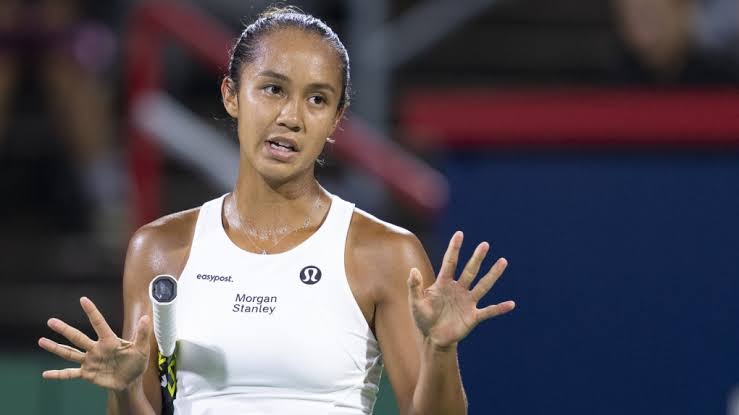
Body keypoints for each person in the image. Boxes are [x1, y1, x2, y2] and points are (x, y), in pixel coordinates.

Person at [37, 7, 515, 415]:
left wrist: (441, 347)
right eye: (273, 89)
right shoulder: (159, 250)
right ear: (231, 95)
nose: (291, 116)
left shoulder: (386, 253)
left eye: (317, 99)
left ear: (335, 119)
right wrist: (124, 389)